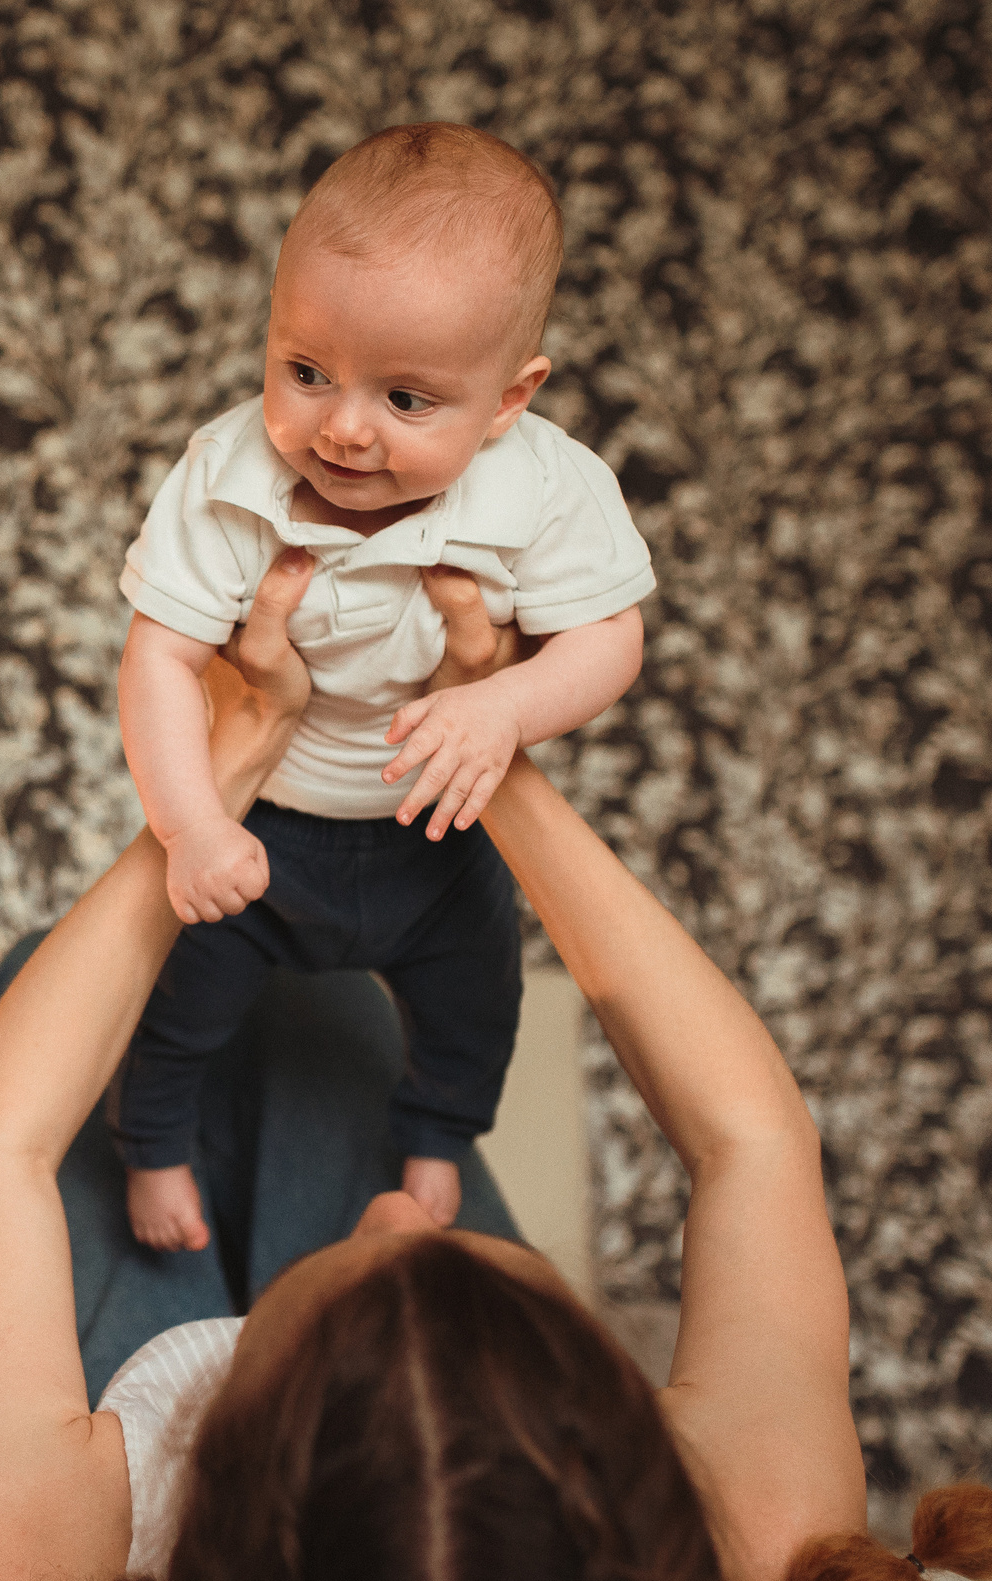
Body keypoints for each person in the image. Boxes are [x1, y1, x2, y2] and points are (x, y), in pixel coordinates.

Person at [0, 562, 992, 1581]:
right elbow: (750, 1135)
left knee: (58, 997)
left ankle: (198, 1038)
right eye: (452, 1238)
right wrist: (488, 750)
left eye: (351, 1248)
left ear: (226, 1438)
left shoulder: (43, 1551)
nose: (393, 1203)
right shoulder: (740, 1526)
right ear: (619, 1416)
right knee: (329, 1020)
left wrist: (235, 762)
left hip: (146, 1428)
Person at [111, 122, 651, 1253]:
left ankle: (436, 1137)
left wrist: (501, 705)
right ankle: (153, 1143)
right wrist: (191, 822)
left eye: (407, 400)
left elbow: (607, 639)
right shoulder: (226, 477)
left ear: (508, 401)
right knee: (180, 999)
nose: (343, 427)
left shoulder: (543, 489)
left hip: (434, 826)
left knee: (474, 1005)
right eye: (303, 372)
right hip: (272, 821)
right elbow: (157, 655)